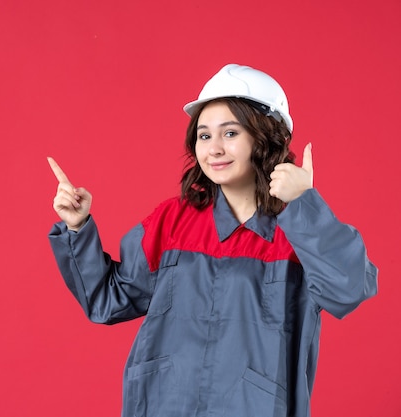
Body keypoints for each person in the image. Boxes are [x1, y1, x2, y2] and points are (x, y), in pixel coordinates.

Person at [47, 64, 377, 417]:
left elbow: (349, 289)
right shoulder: (171, 222)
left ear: (266, 138)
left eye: (230, 133)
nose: (214, 149)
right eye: (204, 136)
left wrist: (303, 206)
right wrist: (78, 228)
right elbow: (108, 300)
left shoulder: (298, 230)